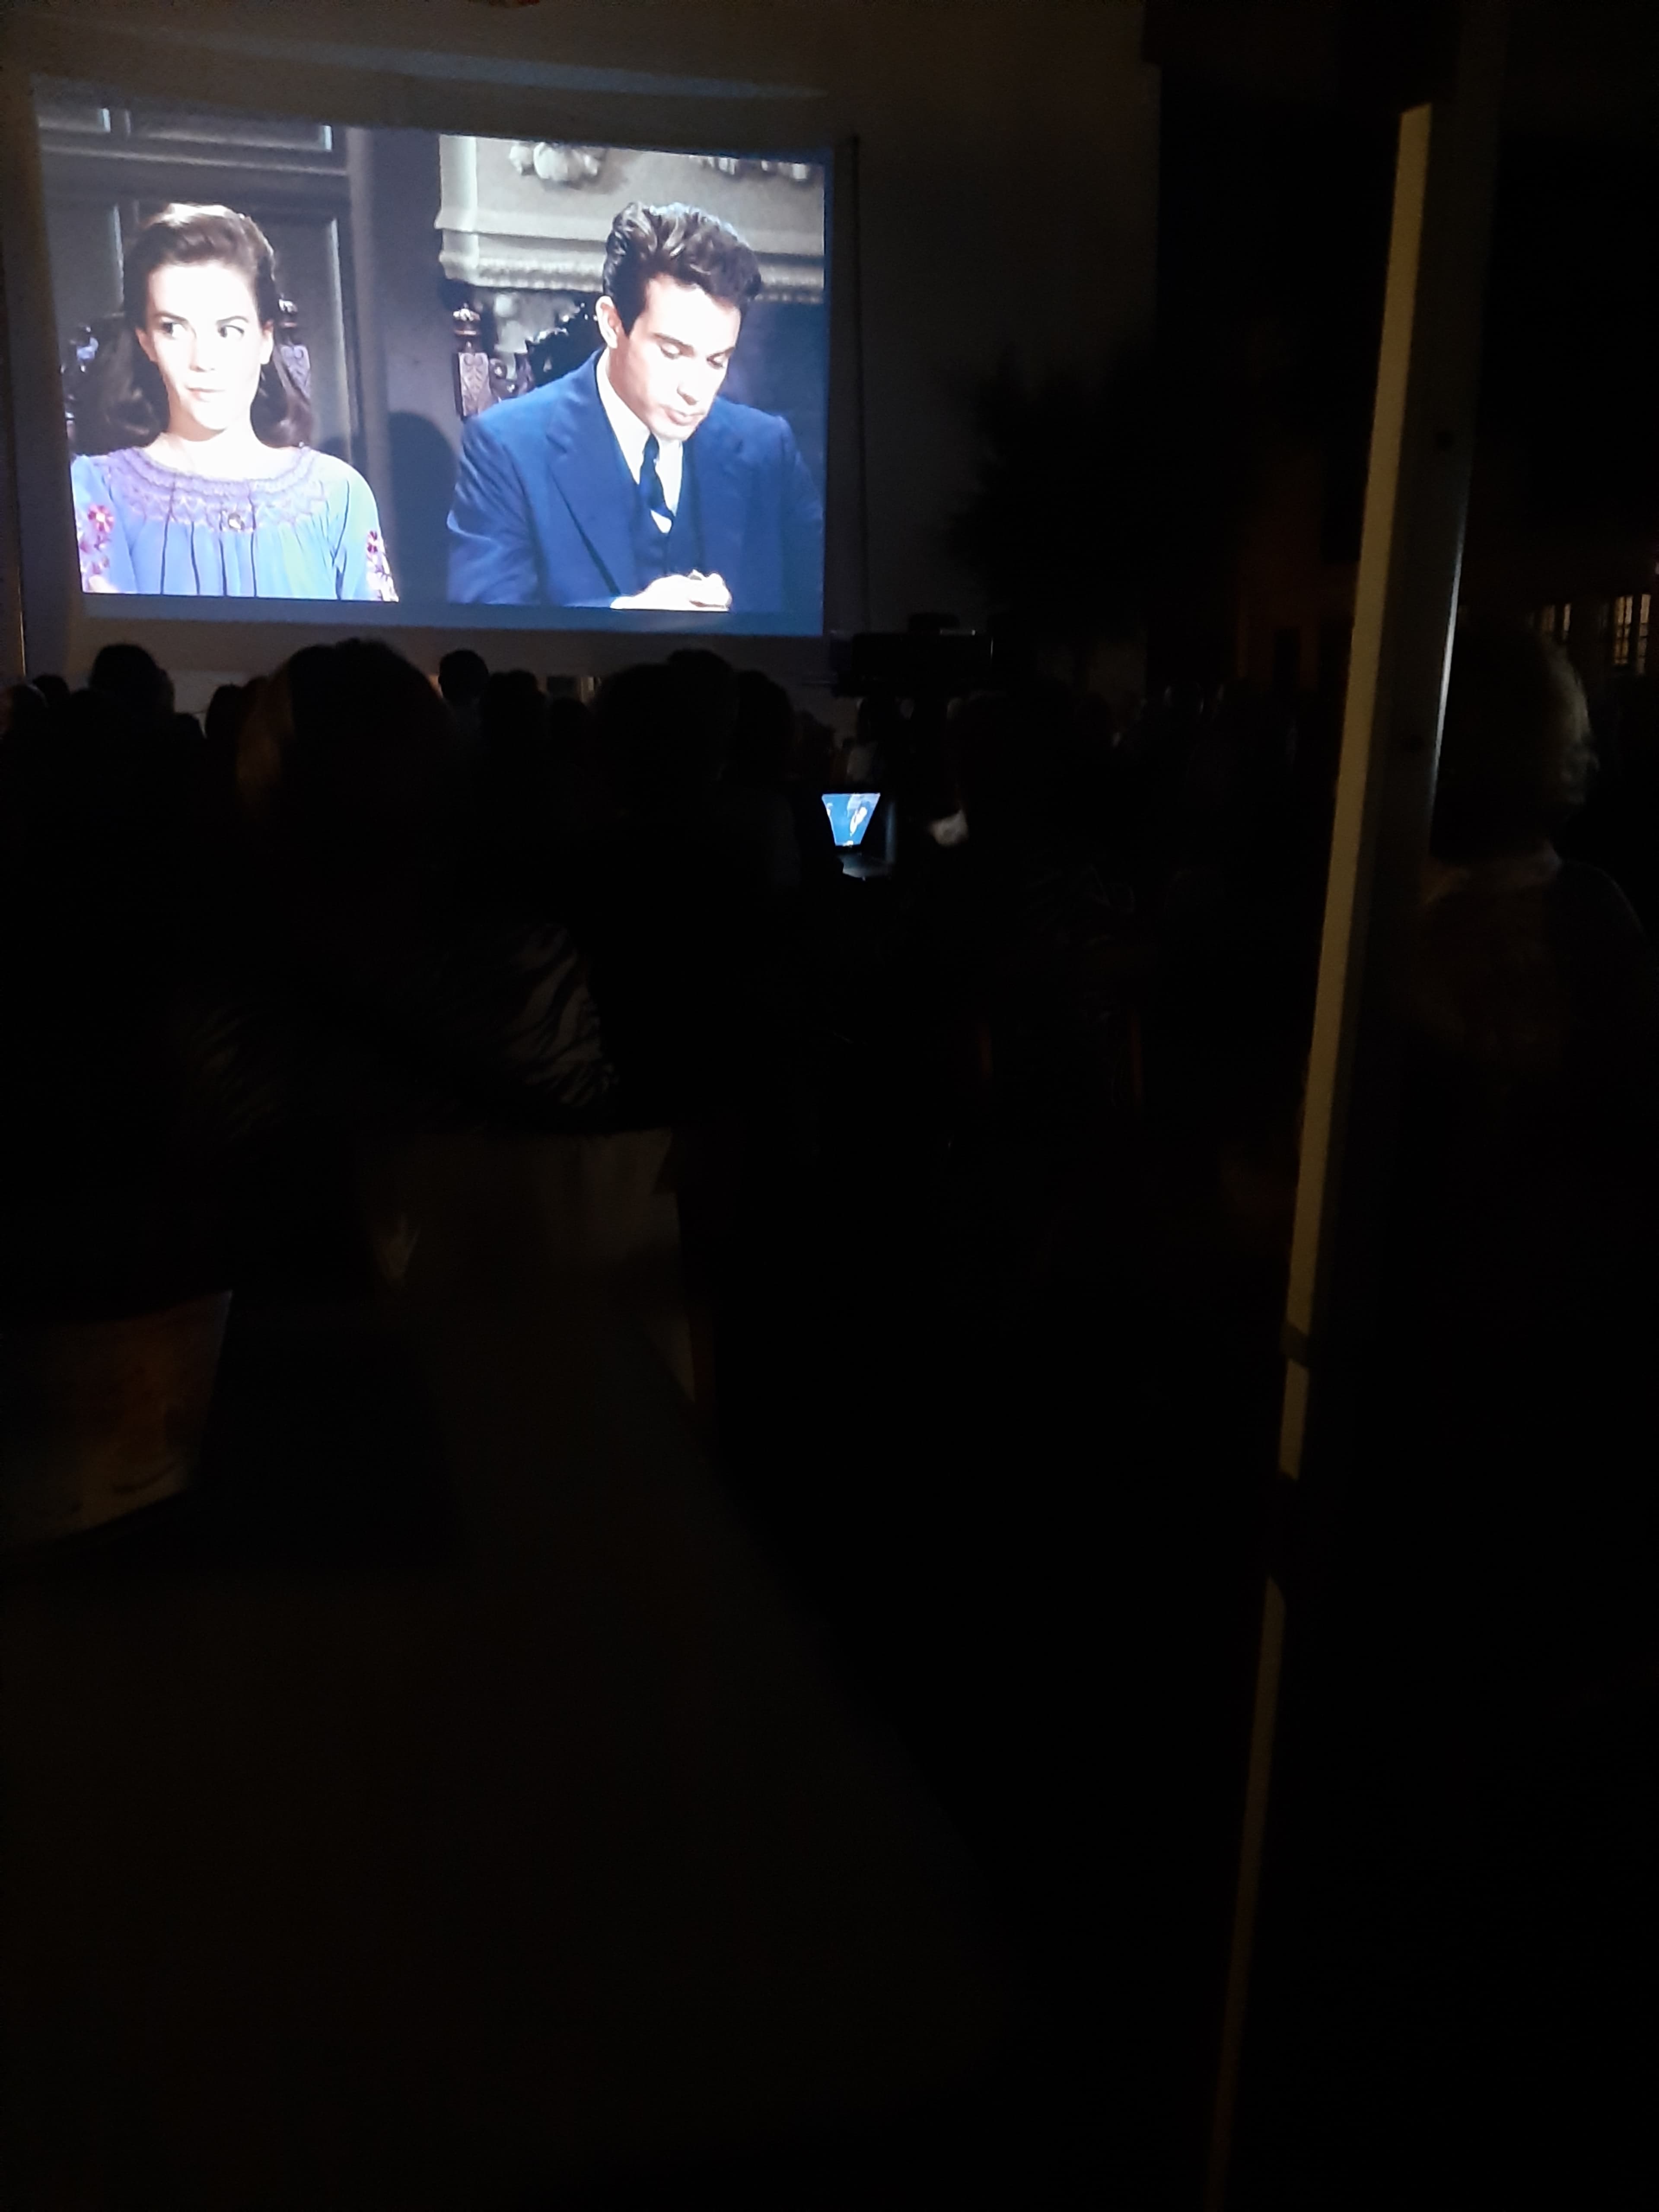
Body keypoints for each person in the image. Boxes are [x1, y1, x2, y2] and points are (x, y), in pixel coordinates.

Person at [446, 202, 822, 624]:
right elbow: (488, 629)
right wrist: (629, 617)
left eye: (716, 361)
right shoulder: (505, 449)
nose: (695, 390)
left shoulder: (768, 450)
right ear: (611, 323)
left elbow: (830, 615)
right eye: (672, 352)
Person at [70, 204, 397, 602]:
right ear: (146, 342)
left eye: (228, 331)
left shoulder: (337, 496)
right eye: (173, 329)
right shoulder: (98, 488)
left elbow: (375, 641)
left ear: (265, 339)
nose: (203, 360)